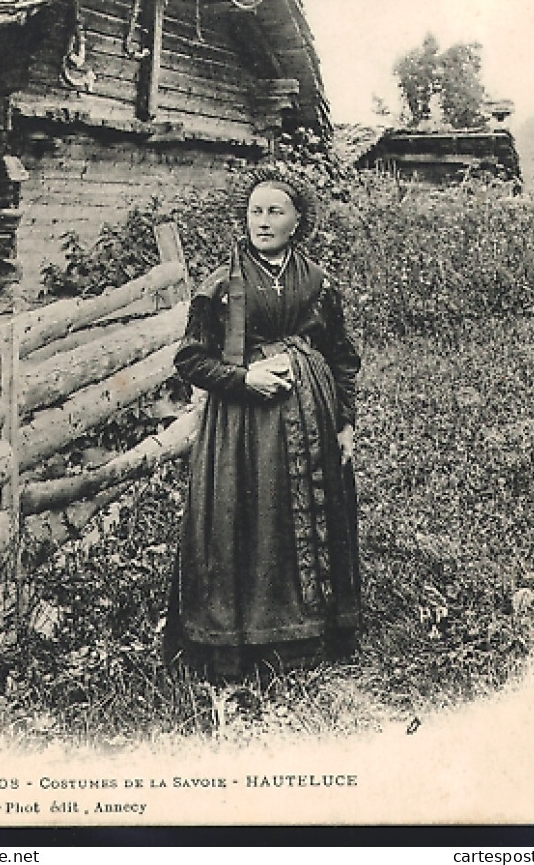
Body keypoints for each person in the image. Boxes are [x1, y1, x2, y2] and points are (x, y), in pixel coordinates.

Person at [163, 164, 361, 684]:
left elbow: (341, 357)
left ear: (298, 220)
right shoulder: (220, 286)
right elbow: (190, 361)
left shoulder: (318, 282)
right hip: (242, 430)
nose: (263, 221)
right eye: (255, 211)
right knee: (250, 519)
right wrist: (243, 376)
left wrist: (345, 424)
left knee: (311, 513)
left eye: (276, 211)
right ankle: (243, 640)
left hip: (314, 420)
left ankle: (315, 632)